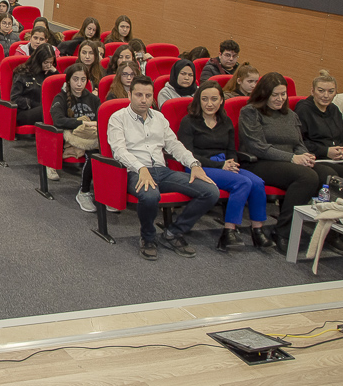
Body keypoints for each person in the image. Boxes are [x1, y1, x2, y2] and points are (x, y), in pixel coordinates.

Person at [107, 76, 220, 260]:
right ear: (129, 95)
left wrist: (194, 164)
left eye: (148, 95)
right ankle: (148, 237)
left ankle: (173, 232)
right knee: (150, 195)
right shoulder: (118, 118)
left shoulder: (159, 117)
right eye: (139, 95)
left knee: (211, 191)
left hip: (162, 171)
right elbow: (119, 151)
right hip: (134, 172)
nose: (143, 100)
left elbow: (174, 145)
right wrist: (141, 168)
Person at [177, 81, 272, 251]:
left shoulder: (225, 121)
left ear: (221, 100)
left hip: (223, 165)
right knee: (243, 182)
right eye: (205, 99)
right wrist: (221, 165)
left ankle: (257, 230)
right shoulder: (188, 121)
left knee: (257, 183)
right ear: (198, 100)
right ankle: (229, 232)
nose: (209, 103)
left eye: (214, 99)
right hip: (198, 166)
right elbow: (187, 154)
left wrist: (232, 163)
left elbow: (230, 150)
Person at [238, 72, 321, 253]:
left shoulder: (290, 115)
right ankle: (283, 231)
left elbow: (298, 144)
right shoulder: (250, 112)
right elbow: (257, 147)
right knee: (307, 177)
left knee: (326, 173)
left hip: (289, 162)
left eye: (283, 94)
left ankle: (330, 231)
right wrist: (292, 158)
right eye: (275, 95)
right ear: (264, 94)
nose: (280, 99)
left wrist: (305, 156)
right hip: (259, 162)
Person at [51, 64, 101, 212]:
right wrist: (83, 123)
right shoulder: (60, 98)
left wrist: (92, 126)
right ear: (68, 80)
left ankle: (106, 193)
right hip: (72, 137)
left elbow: (101, 119)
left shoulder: (93, 99)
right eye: (75, 79)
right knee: (93, 154)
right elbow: (58, 120)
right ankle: (84, 192)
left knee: (107, 151)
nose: (79, 84)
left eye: (83, 80)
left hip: (92, 135)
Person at [294, 70, 343, 194]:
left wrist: (342, 150)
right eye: (321, 91)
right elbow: (299, 141)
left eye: (330, 91)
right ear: (312, 91)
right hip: (317, 159)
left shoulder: (334, 109)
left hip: (338, 158)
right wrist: (326, 151)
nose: (326, 95)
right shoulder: (303, 109)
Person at [9, 44, 59, 127]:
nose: (48, 65)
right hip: (25, 112)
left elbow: (62, 91)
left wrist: (55, 73)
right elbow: (15, 98)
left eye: (51, 63)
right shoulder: (22, 72)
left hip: (44, 109)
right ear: (38, 60)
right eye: (46, 62)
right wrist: (35, 104)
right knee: (50, 109)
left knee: (57, 108)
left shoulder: (50, 73)